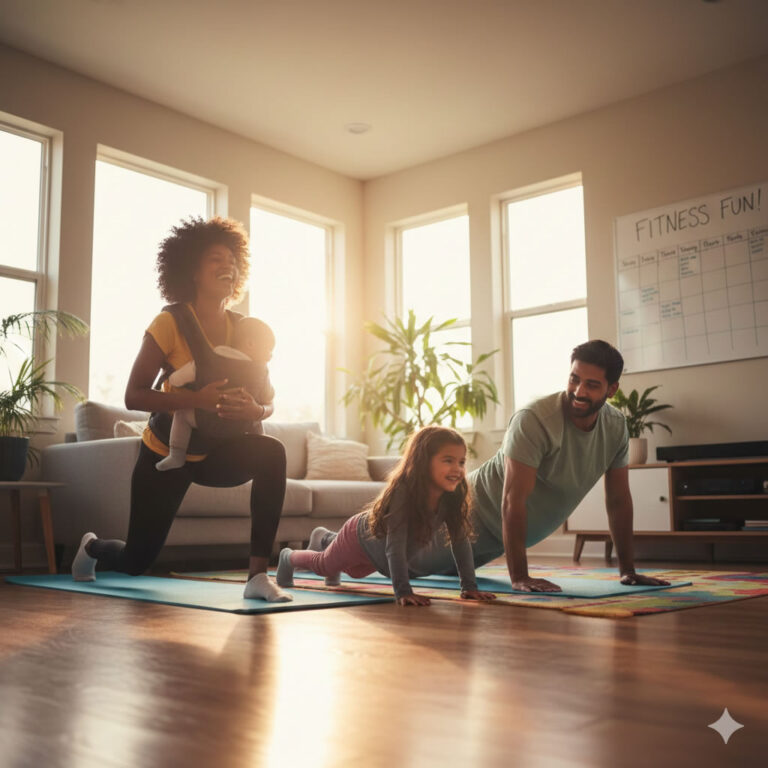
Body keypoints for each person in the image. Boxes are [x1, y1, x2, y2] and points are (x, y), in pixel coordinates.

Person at [315, 340, 670, 594]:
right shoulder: (536, 420)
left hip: (496, 540)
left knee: (439, 574)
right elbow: (512, 500)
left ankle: (328, 540)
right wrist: (519, 577)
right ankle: (330, 541)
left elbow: (619, 501)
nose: (579, 390)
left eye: (592, 385)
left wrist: (628, 571)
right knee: (406, 565)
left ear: (612, 390)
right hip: (465, 517)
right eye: (575, 378)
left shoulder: (615, 429)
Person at [71, 216, 291, 602]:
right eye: (214, 260)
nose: (227, 266)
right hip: (166, 455)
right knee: (137, 560)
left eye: (231, 260)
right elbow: (134, 396)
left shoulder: (245, 329)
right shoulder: (170, 322)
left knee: (273, 453)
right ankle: (92, 548)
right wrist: (196, 399)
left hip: (218, 452)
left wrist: (255, 409)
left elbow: (269, 399)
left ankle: (258, 576)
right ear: (191, 270)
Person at [276, 426, 497, 606]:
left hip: (376, 553)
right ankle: (289, 557)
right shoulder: (404, 492)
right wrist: (402, 592)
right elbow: (395, 547)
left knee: (355, 573)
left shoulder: (452, 496)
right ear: (423, 461)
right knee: (324, 565)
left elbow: (460, 542)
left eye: (461, 462)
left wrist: (469, 587)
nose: (457, 469)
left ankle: (325, 538)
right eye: (448, 460)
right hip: (359, 538)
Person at [156, 316, 275, 471]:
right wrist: (258, 410)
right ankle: (261, 453)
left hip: (207, 421)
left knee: (182, 414)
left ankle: (176, 455)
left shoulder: (214, 357)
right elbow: (268, 397)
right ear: (251, 343)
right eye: (268, 349)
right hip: (241, 426)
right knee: (256, 422)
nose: (270, 355)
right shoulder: (262, 371)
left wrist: (173, 379)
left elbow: (190, 371)